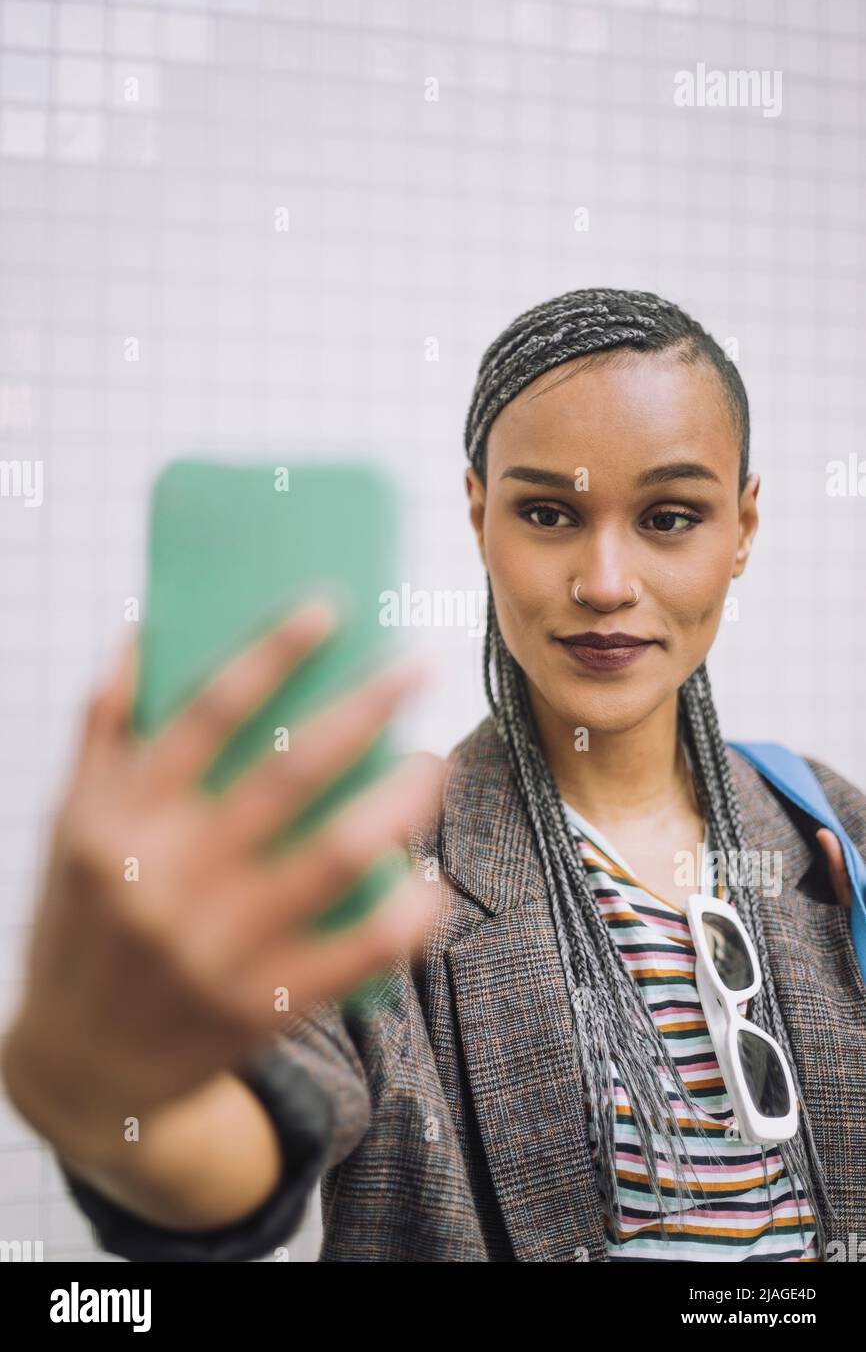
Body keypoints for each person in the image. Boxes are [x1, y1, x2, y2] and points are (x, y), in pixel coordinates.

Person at [4, 288, 866, 1263]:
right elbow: (241, 1140)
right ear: (477, 513)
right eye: (547, 512)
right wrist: (109, 1096)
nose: (605, 581)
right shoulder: (381, 855)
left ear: (741, 527)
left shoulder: (827, 831)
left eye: (669, 516)